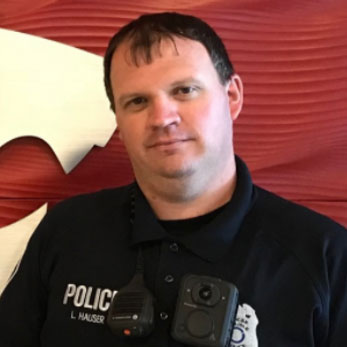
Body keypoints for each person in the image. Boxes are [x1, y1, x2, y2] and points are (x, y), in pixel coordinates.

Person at [0, 12, 346, 347]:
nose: (162, 118)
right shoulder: (66, 232)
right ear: (118, 121)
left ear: (232, 96)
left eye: (184, 90)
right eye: (137, 101)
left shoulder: (325, 257)